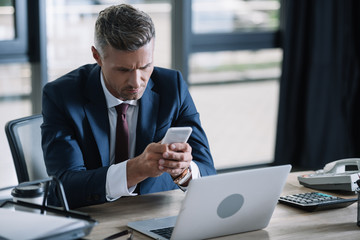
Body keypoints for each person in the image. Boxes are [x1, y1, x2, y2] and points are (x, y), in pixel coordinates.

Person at [41, 4, 216, 209]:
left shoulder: (172, 87)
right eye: (123, 70)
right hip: (92, 217)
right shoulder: (61, 95)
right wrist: (134, 170)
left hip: (155, 215)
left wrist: (183, 171)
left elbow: (208, 173)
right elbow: (65, 186)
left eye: (145, 67)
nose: (136, 82)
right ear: (97, 56)